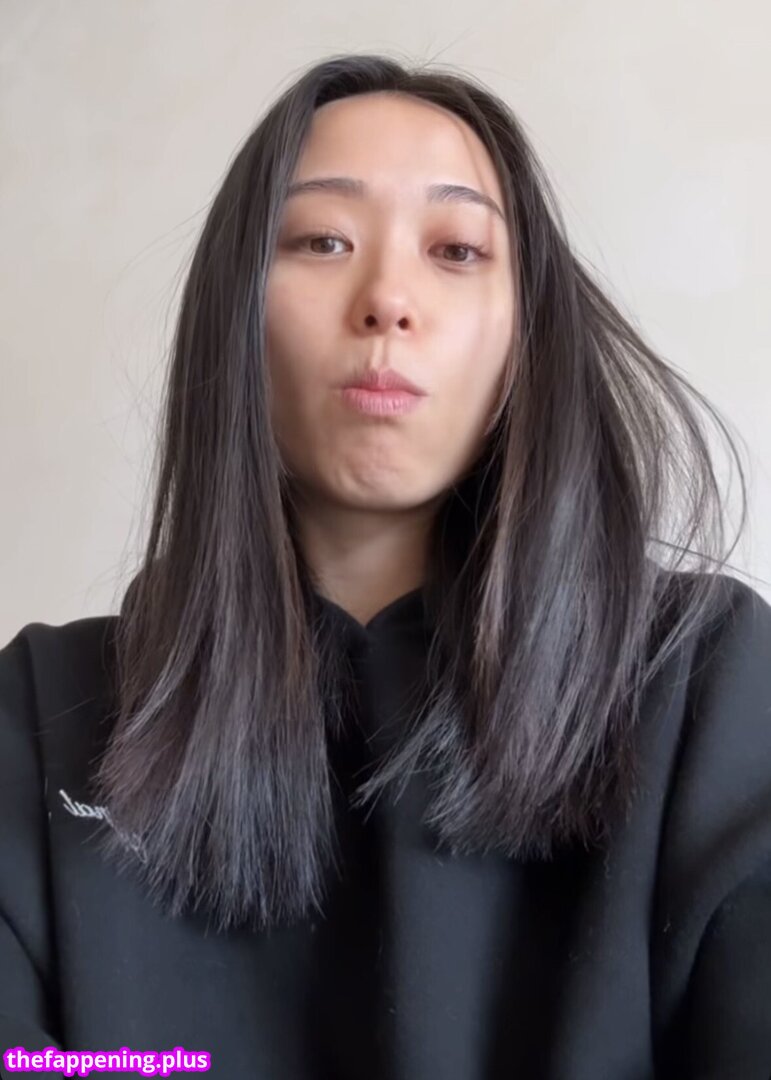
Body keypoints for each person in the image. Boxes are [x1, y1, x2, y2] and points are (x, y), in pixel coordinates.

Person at [1, 51, 769, 1080]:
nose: (388, 300)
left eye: (457, 250)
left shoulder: (705, 681)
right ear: (236, 313)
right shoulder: (39, 716)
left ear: (526, 335)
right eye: (323, 239)